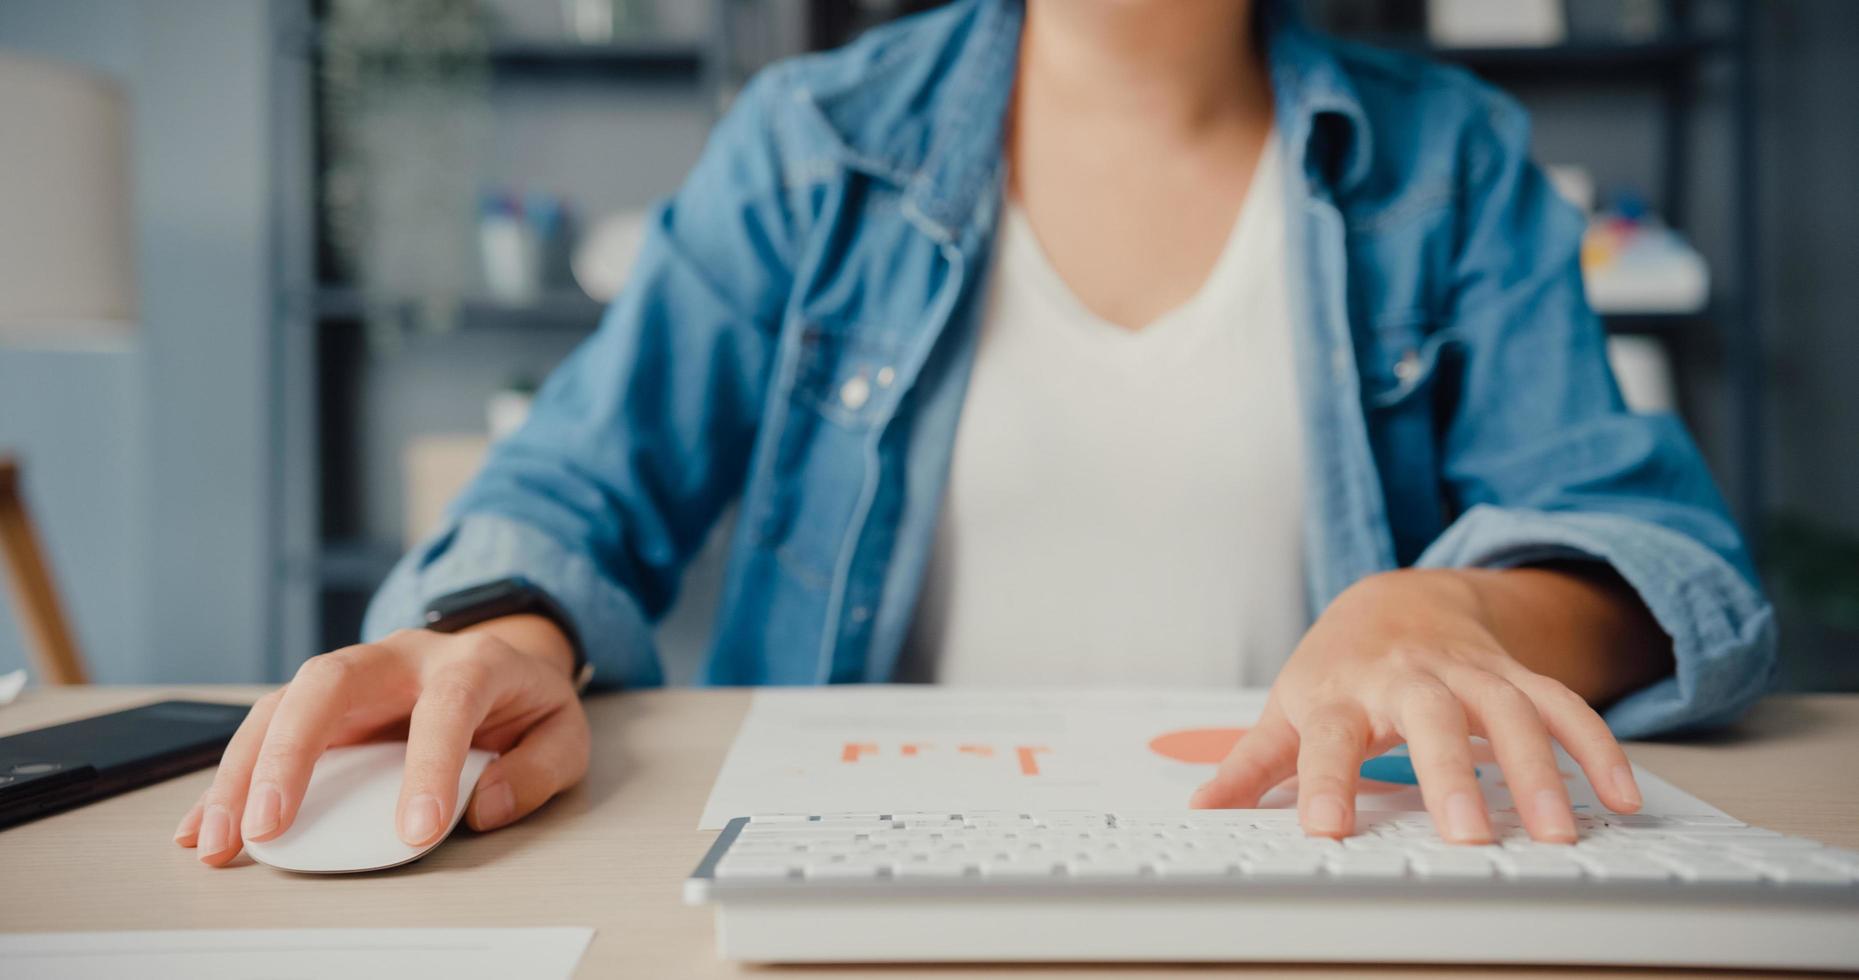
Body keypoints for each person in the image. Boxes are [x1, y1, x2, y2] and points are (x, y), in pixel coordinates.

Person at [175, 0, 1773, 866]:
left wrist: (1457, 605)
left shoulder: (1456, 161)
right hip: (874, 888)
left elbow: (1660, 561)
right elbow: (575, 483)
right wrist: (502, 627)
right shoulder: (813, 143)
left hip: (1325, 879)